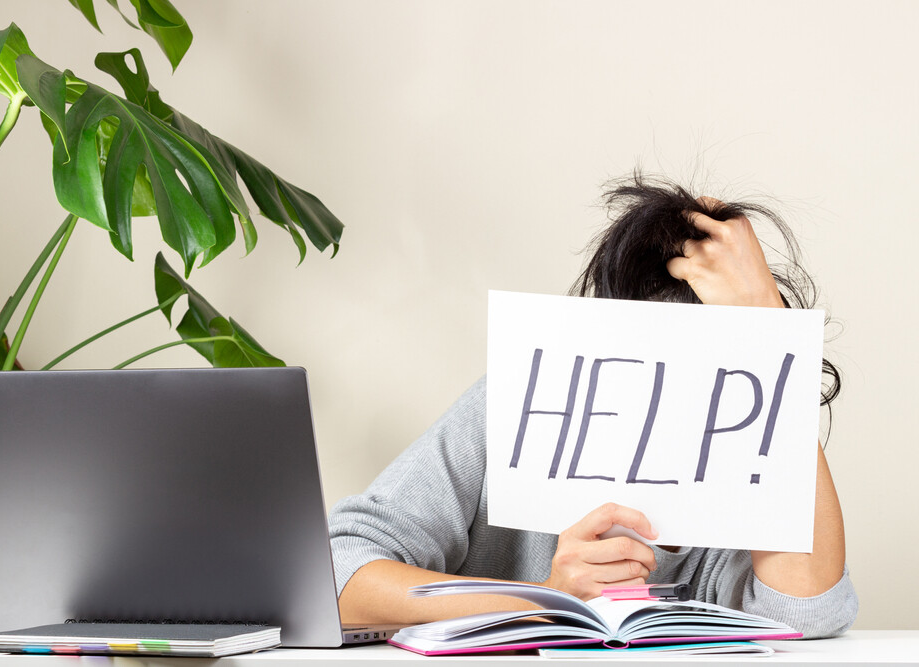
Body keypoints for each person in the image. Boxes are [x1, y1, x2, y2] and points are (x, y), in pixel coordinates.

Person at [328, 173, 858, 639]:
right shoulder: (512, 407)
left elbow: (804, 608)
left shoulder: (747, 471)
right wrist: (546, 598)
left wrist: (766, 325)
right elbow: (337, 573)